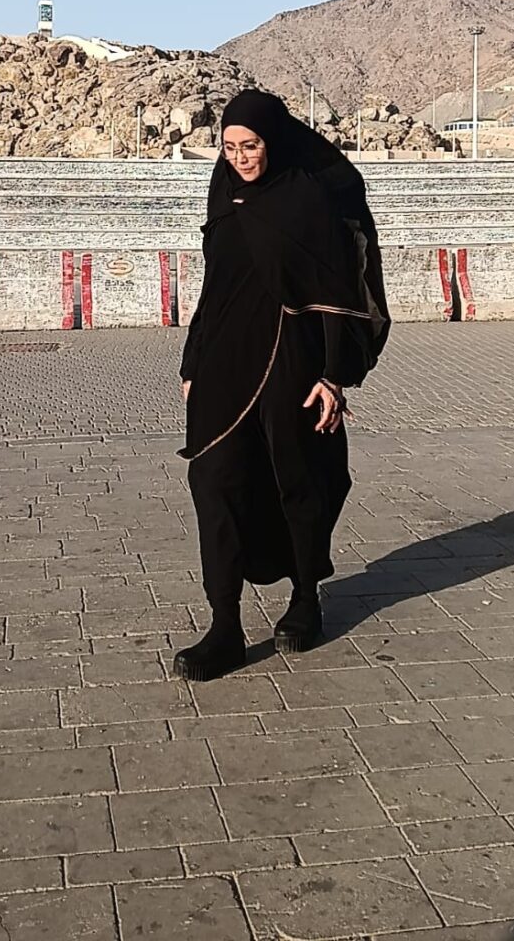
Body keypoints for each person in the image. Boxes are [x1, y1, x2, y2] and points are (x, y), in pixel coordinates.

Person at [173, 89, 390, 682]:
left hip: (292, 358)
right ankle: (224, 625)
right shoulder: (224, 189)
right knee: (213, 481)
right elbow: (214, 284)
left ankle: (304, 596)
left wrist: (334, 376)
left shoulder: (308, 193)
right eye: (230, 147)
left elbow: (341, 288)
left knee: (298, 477)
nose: (240, 157)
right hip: (223, 362)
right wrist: (191, 363)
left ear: (273, 139)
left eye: (251, 145)